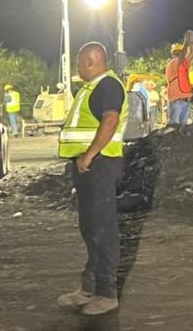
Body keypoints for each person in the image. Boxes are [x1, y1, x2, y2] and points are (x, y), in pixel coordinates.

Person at [56, 42, 128, 316]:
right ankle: (88, 288)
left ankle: (107, 294)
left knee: (102, 230)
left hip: (100, 166)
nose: (76, 67)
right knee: (90, 229)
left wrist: (89, 155)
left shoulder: (107, 86)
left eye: (78, 62)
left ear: (89, 61)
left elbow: (110, 121)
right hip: (90, 168)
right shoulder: (92, 87)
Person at [165, 42, 193, 127]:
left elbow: (192, 53)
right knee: (175, 126)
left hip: (182, 100)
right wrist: (191, 44)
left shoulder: (181, 64)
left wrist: (191, 44)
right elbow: (192, 54)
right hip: (178, 100)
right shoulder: (175, 63)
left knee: (179, 127)